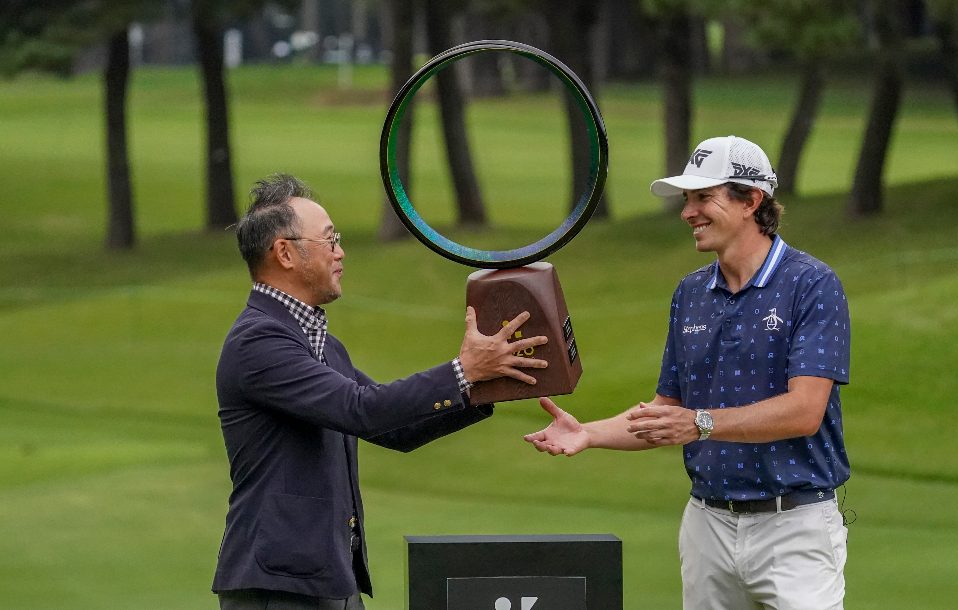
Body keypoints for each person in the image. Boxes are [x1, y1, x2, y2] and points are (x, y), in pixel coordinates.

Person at [525, 136, 851, 609]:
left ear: (751, 201)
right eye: (687, 200)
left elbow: (804, 411)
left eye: (704, 197)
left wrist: (701, 424)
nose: (688, 212)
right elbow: (668, 411)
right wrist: (589, 433)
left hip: (794, 526)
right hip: (708, 526)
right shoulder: (691, 293)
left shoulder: (812, 284)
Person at [213, 174, 548, 610]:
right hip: (279, 588)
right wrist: (463, 370)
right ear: (285, 253)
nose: (341, 252)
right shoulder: (259, 342)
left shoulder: (323, 346)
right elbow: (361, 409)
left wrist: (487, 383)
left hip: (330, 580)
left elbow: (396, 430)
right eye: (330, 240)